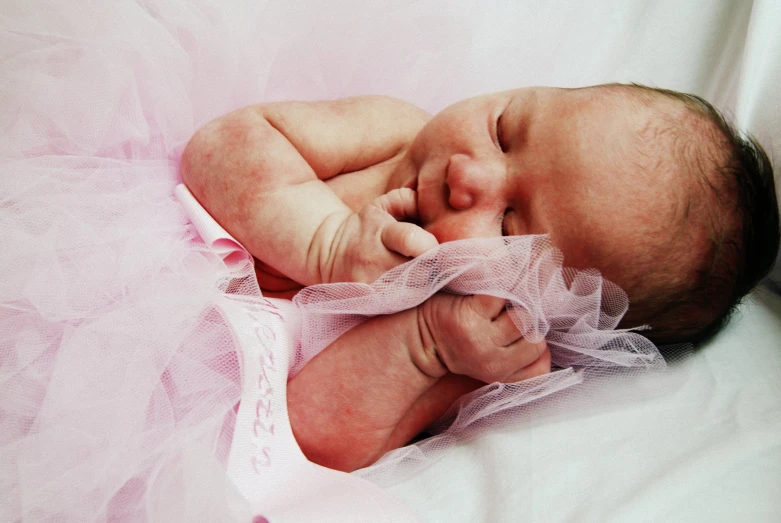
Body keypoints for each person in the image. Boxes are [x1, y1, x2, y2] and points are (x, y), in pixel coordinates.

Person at [180, 83, 779, 472]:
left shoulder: (467, 349)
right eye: (503, 130)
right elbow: (221, 146)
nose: (468, 173)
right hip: (158, 270)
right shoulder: (393, 134)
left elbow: (298, 445)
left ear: (548, 317)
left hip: (183, 403)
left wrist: (425, 346)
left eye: (509, 220)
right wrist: (331, 244)